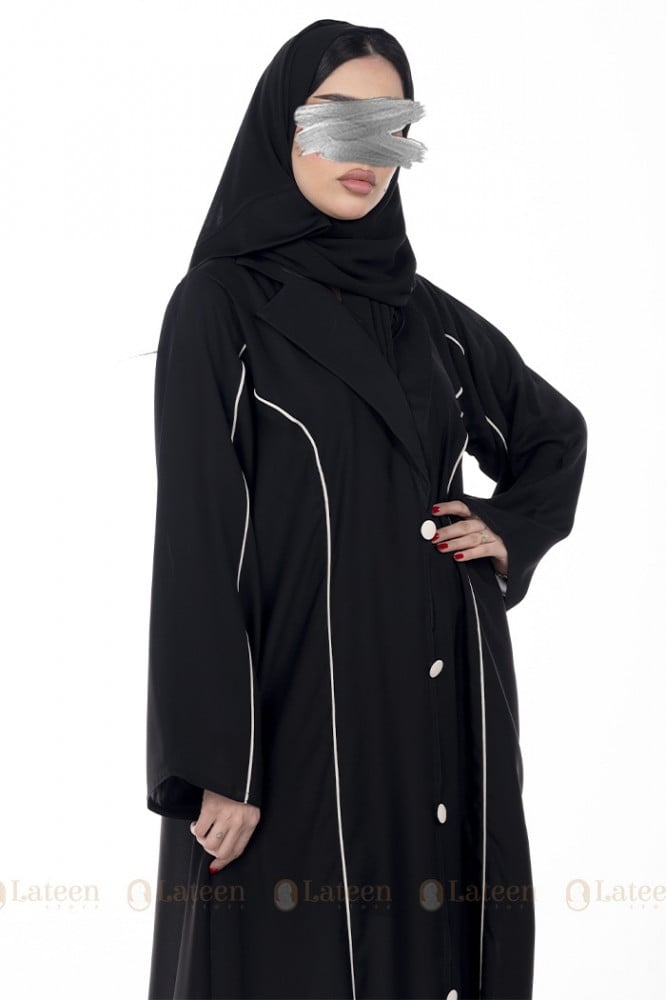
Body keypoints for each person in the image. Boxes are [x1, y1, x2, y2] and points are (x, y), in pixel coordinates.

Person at [145, 18, 587, 1000]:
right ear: (284, 125)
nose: (367, 153)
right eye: (339, 120)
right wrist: (218, 762)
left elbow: (554, 433)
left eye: (391, 127)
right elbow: (200, 544)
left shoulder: (426, 317)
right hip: (297, 714)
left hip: (439, 691)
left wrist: (509, 530)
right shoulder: (221, 307)